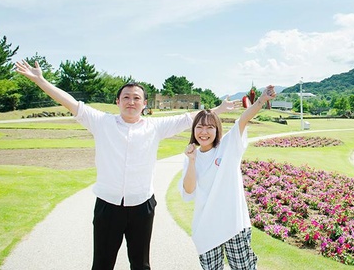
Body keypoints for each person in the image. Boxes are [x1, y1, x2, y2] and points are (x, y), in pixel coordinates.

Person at [14, 60, 237, 270]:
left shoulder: (155, 126)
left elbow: (190, 119)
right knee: (102, 264)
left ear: (144, 104)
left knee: (141, 265)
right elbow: (71, 103)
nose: (132, 102)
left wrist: (219, 109)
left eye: (137, 98)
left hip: (142, 206)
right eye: (127, 97)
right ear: (118, 101)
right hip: (108, 205)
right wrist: (41, 81)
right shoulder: (102, 122)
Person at [180, 85, 276, 270]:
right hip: (206, 227)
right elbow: (189, 190)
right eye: (199, 127)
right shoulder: (191, 156)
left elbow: (243, 119)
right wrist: (192, 160)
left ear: (217, 130)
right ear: (194, 131)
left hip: (234, 225)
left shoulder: (228, 145)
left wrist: (261, 100)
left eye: (210, 127)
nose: (204, 132)